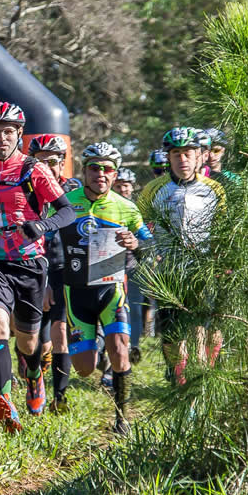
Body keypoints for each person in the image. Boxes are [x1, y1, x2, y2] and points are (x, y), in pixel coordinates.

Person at [0, 103, 80, 433]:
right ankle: (5, 400)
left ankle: (33, 375)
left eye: (8, 132)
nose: (2, 138)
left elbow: (66, 212)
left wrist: (42, 226)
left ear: (18, 135)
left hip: (28, 263)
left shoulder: (33, 170)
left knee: (28, 343)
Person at [53, 143, 153, 433]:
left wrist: (137, 244)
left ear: (115, 174)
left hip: (111, 291)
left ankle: (122, 418)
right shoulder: (65, 202)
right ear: (85, 171)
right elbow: (44, 239)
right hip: (77, 293)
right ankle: (95, 346)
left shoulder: (127, 208)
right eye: (95, 167)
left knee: (120, 352)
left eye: (108, 169)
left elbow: (150, 245)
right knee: (84, 367)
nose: (101, 173)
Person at [137, 127, 225, 384]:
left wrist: (221, 263)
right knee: (172, 336)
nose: (182, 160)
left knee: (198, 328)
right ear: (169, 157)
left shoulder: (215, 190)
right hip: (167, 273)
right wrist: (149, 255)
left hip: (201, 271)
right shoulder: (153, 190)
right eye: (176, 154)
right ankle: (179, 379)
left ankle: (197, 383)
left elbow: (222, 229)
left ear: (199, 155)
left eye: (188, 153)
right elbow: (140, 226)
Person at [28, 134, 70, 402]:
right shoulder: (24, 192)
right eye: (39, 162)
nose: (46, 168)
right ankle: (35, 379)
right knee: (36, 339)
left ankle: (60, 397)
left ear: (63, 162)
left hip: (65, 271)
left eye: (52, 162)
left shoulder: (74, 191)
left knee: (60, 333)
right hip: (34, 269)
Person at [113, 167, 145, 363]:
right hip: (110, 266)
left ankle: (133, 346)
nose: (122, 189)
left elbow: (147, 238)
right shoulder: (107, 206)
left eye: (126, 185)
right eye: (118, 185)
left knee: (134, 306)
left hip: (133, 265)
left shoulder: (137, 208)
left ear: (132, 187)